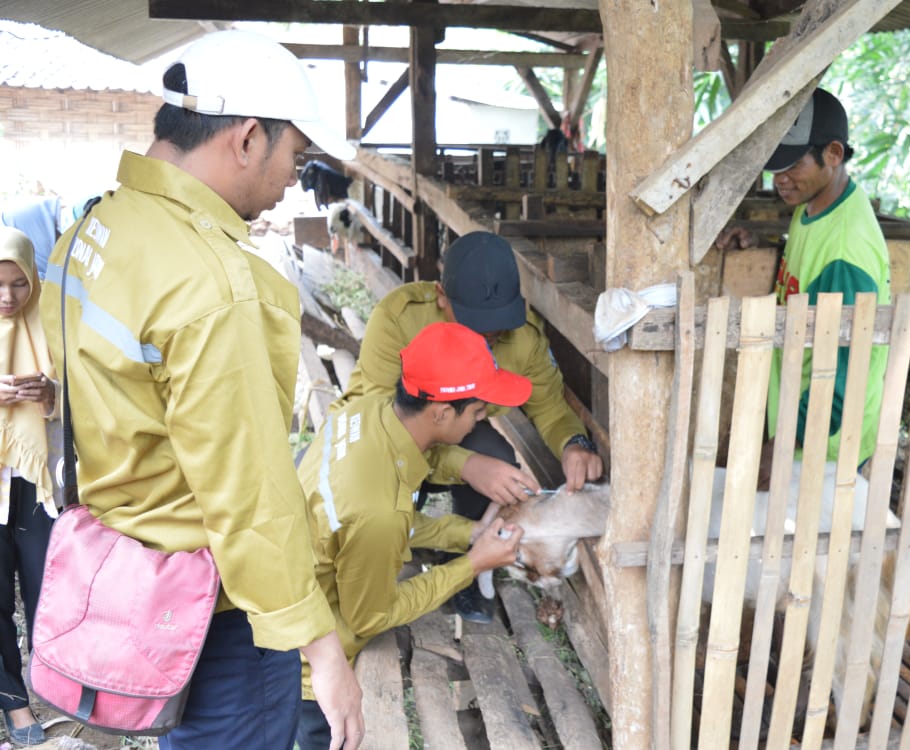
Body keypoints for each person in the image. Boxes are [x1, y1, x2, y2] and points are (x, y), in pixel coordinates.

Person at [40, 30, 364, 750]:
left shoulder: (95, 225)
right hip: (214, 610)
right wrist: (322, 649)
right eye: (297, 158)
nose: (293, 181)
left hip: (126, 573)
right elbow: (250, 494)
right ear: (248, 138)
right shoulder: (214, 284)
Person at [337, 231, 603, 622]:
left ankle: (461, 566)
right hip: (384, 432)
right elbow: (381, 419)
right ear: (441, 296)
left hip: (446, 430)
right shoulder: (400, 318)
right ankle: (414, 544)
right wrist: (466, 465)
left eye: (498, 325)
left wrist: (574, 443)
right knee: (390, 507)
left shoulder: (523, 339)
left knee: (495, 455)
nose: (489, 334)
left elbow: (548, 405)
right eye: (476, 324)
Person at [295, 321, 529, 749]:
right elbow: (374, 615)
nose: (477, 425)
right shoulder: (377, 510)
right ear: (440, 413)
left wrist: (469, 532)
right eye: (477, 414)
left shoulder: (364, 413)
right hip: (311, 674)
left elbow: (374, 521)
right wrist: (472, 565)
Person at [720, 87, 890, 484]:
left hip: (825, 445)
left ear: (833, 153)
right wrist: (762, 252)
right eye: (774, 165)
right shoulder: (815, 206)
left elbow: (844, 378)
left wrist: (777, 446)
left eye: (792, 165)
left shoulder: (846, 252)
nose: (779, 179)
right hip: (800, 429)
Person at [0, 227, 59, 747]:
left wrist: (50, 393)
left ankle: (58, 682)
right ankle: (16, 707)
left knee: (48, 589)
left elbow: (80, 400)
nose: (8, 297)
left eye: (20, 283)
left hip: (36, 486)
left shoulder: (51, 325)